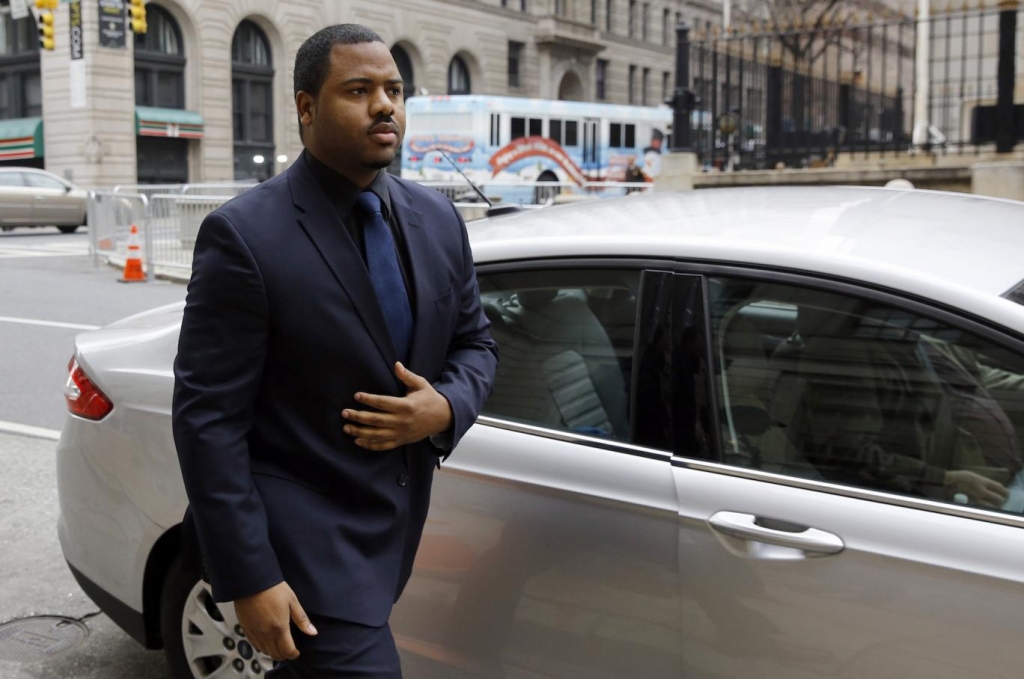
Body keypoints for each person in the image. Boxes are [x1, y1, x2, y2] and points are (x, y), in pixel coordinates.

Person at [171, 24, 498, 678]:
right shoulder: (244, 236)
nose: (385, 105)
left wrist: (445, 407)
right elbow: (208, 419)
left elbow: (476, 344)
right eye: (359, 89)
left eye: (394, 89)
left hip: (394, 534)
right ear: (306, 107)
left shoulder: (438, 221)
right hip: (302, 545)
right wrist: (250, 574)